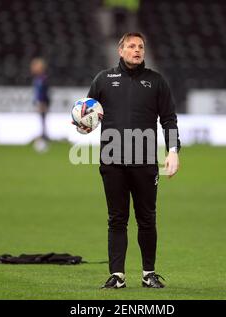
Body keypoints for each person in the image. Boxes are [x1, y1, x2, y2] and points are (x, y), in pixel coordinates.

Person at [79, 32, 180, 289]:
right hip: (112, 162)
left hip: (146, 162)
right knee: (117, 219)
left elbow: (169, 119)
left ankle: (149, 274)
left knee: (147, 219)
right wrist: (83, 125)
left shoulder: (157, 82)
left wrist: (173, 151)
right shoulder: (103, 79)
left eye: (141, 46)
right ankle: (117, 276)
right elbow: (86, 115)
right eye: (131, 46)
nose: (137, 50)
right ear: (120, 50)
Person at [30, 57, 50, 152]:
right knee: (41, 120)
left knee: (43, 120)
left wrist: (42, 104)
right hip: (39, 103)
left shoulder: (43, 79)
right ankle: (42, 136)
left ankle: (43, 137)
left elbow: (44, 93)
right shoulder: (38, 79)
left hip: (42, 103)